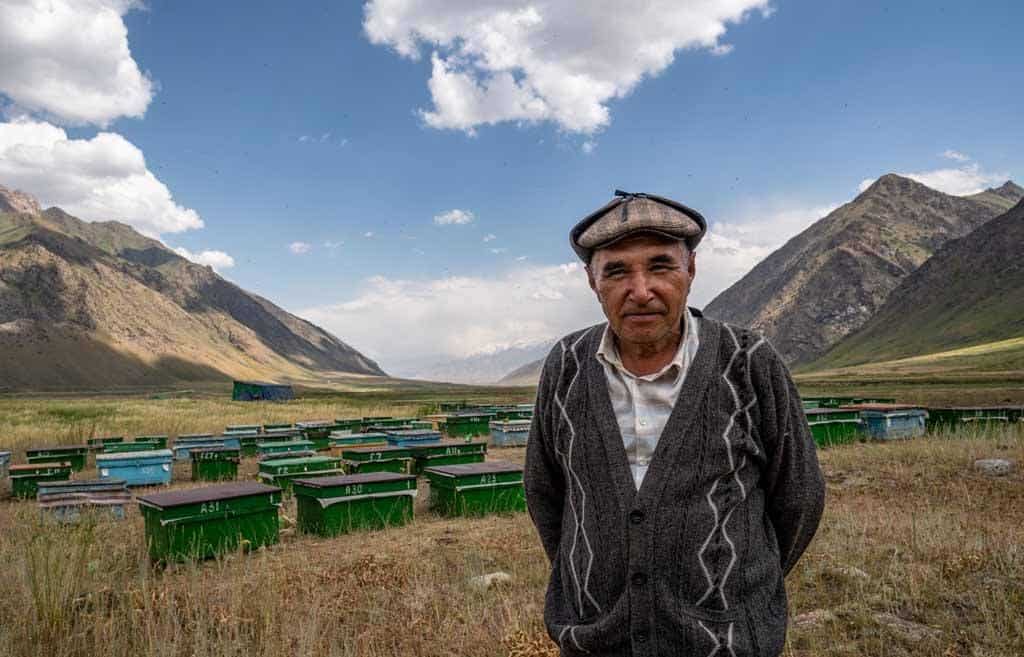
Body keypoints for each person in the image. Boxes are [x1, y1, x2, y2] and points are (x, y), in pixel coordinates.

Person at [524, 190, 825, 657]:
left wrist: (732, 588)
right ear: (592, 281)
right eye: (617, 271)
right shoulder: (566, 365)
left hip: (725, 644)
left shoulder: (748, 362)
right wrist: (588, 579)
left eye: (660, 266)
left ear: (691, 269)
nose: (641, 290)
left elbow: (799, 497)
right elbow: (547, 494)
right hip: (595, 642)